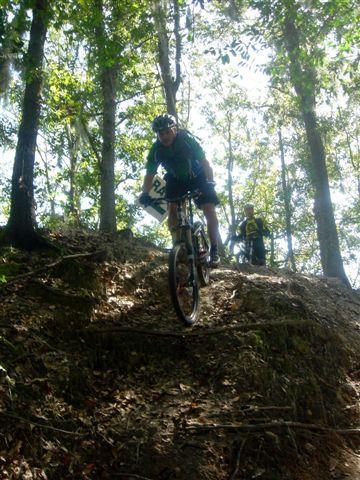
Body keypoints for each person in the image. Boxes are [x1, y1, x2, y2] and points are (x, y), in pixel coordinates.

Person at [139, 114, 221, 267]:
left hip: (198, 176)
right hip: (175, 179)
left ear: (174, 130)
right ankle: (178, 245)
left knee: (209, 208)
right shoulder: (156, 149)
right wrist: (145, 193)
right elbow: (150, 174)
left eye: (167, 132)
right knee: (172, 208)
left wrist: (209, 183)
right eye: (160, 134)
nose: (164, 136)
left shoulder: (186, 140)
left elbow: (205, 163)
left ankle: (215, 250)